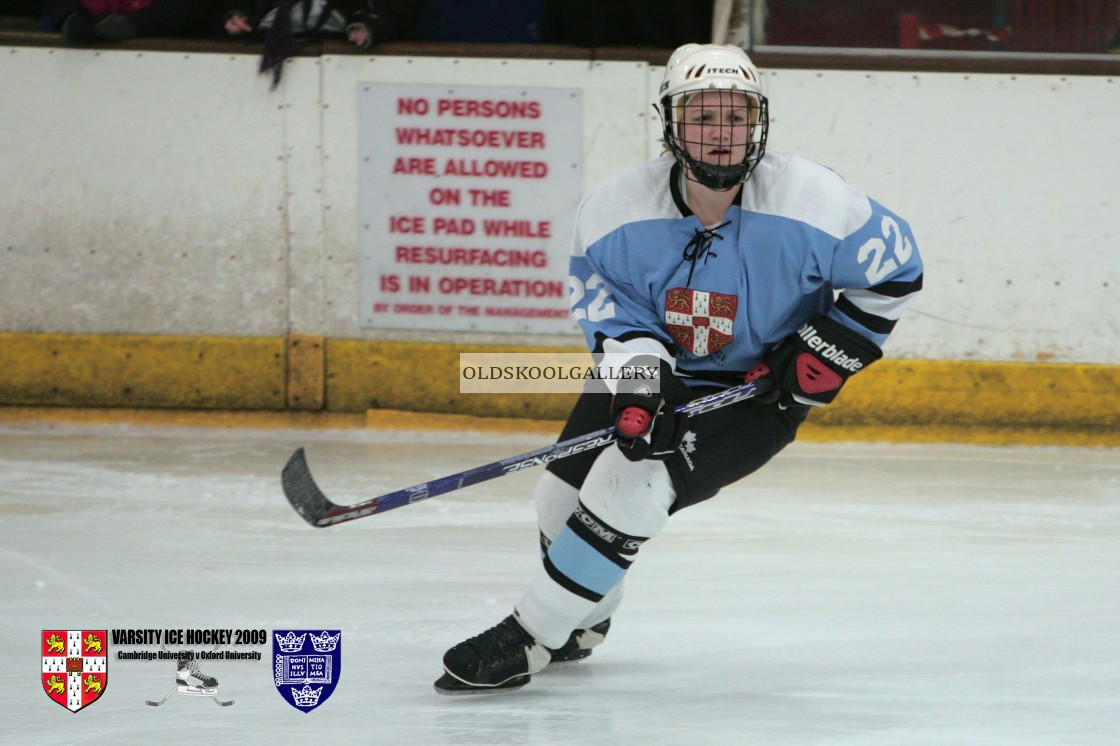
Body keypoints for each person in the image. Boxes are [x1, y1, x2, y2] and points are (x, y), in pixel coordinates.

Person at [433, 43, 924, 694]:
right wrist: (643, 382)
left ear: (758, 124)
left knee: (629, 484)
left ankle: (532, 636)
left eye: (736, 116)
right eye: (702, 117)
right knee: (558, 498)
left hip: (755, 394)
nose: (721, 135)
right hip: (661, 371)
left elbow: (897, 272)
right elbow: (610, 310)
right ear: (670, 123)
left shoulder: (815, 201)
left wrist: (822, 351)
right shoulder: (615, 213)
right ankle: (586, 621)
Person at [220, 0, 424, 87]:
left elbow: (397, 14)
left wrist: (370, 27)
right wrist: (233, 15)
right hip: (265, 50)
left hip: (342, 56)